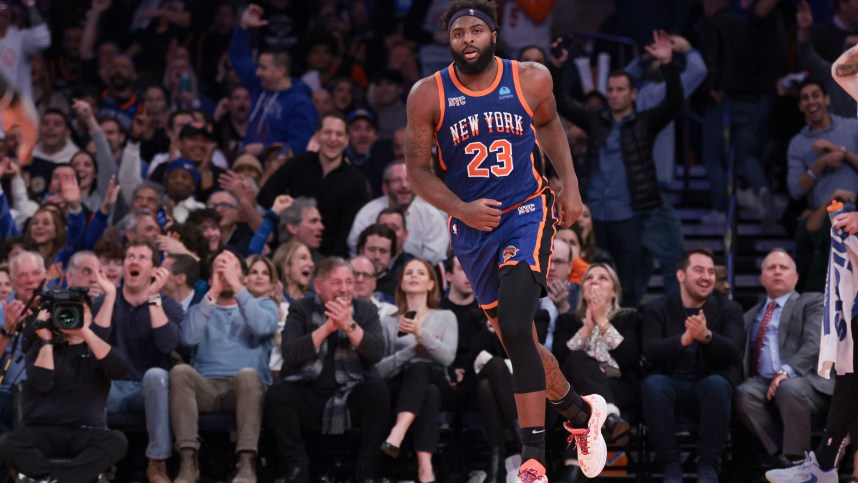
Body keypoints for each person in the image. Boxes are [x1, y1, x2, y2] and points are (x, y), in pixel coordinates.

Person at [404, 1, 605, 479]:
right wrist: (460, 208)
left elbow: (550, 123)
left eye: (476, 30)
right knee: (520, 342)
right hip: (472, 228)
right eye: (459, 33)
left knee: (516, 326)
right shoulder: (427, 94)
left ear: (493, 33)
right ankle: (580, 416)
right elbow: (416, 170)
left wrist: (569, 183)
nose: (467, 40)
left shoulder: (530, 78)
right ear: (448, 39)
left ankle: (533, 459)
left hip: (525, 211)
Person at [764, 45, 858, 483]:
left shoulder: (849, 130)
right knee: (851, 358)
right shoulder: (804, 141)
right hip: (842, 240)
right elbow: (842, 68)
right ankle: (823, 464)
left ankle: (824, 464)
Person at [264, 257, 390, 482]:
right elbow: (291, 352)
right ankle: (296, 466)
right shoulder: (300, 308)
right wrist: (327, 328)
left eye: (349, 282)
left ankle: (367, 470)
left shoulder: (366, 310)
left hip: (351, 392)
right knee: (277, 394)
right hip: (309, 391)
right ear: (318, 286)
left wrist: (349, 325)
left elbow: (376, 352)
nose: (344, 289)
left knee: (378, 391)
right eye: (337, 282)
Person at [0, 280, 128, 482]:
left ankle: (53, 480)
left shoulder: (96, 348)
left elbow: (120, 370)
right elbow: (41, 383)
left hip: (85, 431)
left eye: (79, 310)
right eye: (64, 311)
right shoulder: (38, 345)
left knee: (116, 440)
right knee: (8, 442)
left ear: (90, 316)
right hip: (40, 431)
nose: (70, 316)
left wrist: (85, 332)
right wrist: (47, 340)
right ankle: (61, 479)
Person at [171, 247, 278, 483]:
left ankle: (247, 464)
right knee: (180, 372)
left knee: (248, 376)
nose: (225, 271)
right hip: (207, 388)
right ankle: (188, 462)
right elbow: (187, 338)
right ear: (210, 279)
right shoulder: (201, 308)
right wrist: (213, 293)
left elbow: (262, 327)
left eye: (231, 266)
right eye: (219, 267)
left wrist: (238, 288)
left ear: (243, 277)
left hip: (244, 390)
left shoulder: (264, 305)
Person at [640, 248, 744, 483]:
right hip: (670, 380)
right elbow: (650, 350)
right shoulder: (657, 308)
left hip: (709, 381)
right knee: (653, 385)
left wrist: (705, 336)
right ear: (680, 275)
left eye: (710, 271)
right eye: (698, 270)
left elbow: (734, 351)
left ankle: (708, 466)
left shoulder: (729, 309)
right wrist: (684, 340)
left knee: (717, 385)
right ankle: (671, 466)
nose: (707, 277)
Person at [92, 240, 184, 483]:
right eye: (129, 256)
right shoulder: (104, 302)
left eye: (142, 257)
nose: (133, 260)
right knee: (91, 383)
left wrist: (153, 296)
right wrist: (110, 296)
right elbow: (93, 346)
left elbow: (167, 345)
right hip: (114, 389)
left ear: (154, 270)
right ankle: (96, 464)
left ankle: (158, 463)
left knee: (157, 375)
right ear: (123, 267)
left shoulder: (167, 305)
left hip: (149, 390)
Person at [734, 249, 831, 468]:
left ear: (795, 277)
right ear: (762, 279)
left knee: (788, 387)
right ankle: (783, 458)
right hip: (762, 384)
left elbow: (815, 344)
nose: (777, 272)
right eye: (771, 268)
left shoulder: (812, 302)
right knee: (742, 393)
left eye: (784, 267)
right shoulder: (749, 315)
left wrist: (786, 371)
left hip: (807, 381)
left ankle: (799, 461)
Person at [377, 258, 458, 483]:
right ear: (401, 283)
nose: (413, 276)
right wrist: (412, 350)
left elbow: (448, 357)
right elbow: (380, 371)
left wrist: (419, 332)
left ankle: (398, 432)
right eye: (408, 273)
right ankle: (425, 469)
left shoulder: (445, 317)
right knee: (426, 388)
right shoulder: (387, 322)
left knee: (423, 370)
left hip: (440, 381)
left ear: (431, 284)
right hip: (400, 386)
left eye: (421, 273)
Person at [228, 3, 317, 156]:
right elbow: (238, 58)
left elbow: (300, 144)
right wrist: (243, 28)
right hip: (250, 166)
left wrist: (264, 149)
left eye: (263, 68)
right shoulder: (259, 84)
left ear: (280, 71)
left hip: (279, 171)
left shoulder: (300, 103)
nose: (257, 72)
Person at [347, 160, 449, 265]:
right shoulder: (367, 213)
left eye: (409, 179)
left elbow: (433, 259)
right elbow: (355, 249)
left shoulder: (432, 216)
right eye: (397, 180)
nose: (404, 185)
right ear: (385, 188)